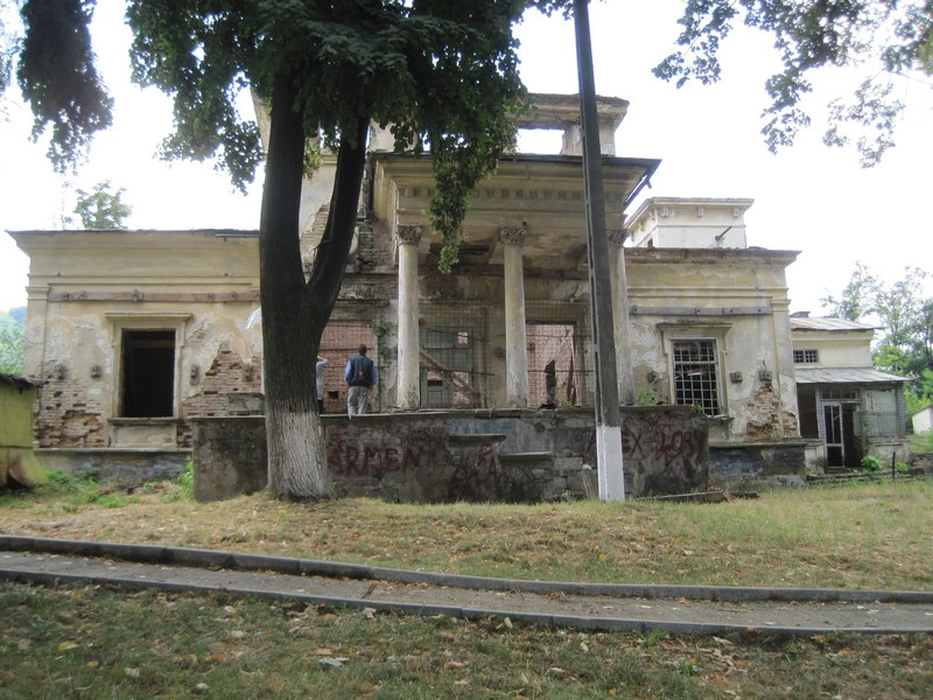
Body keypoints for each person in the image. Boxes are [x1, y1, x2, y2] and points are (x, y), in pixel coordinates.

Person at [345, 344, 377, 416]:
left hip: (353, 384)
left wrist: (348, 381)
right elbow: (373, 375)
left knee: (351, 403)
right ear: (366, 351)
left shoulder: (352, 360)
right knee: (362, 404)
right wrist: (372, 385)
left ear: (358, 351)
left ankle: (352, 418)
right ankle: (361, 419)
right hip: (365, 385)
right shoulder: (370, 362)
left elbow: (348, 372)